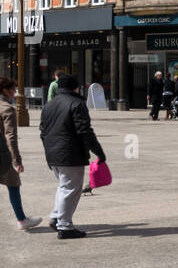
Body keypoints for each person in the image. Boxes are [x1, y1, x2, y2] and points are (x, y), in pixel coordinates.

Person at [39, 74, 107, 240]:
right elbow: (84, 130)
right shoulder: (76, 103)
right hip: (70, 153)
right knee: (70, 189)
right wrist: (98, 151)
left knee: (63, 186)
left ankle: (56, 216)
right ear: (74, 88)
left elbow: (42, 131)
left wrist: (49, 149)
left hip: (53, 153)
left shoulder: (49, 105)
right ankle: (65, 226)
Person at [0, 76, 40, 230]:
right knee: (13, 184)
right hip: (3, 153)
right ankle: (22, 220)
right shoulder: (7, 108)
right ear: (5, 90)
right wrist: (16, 160)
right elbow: (10, 136)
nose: (15, 93)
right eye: (13, 90)